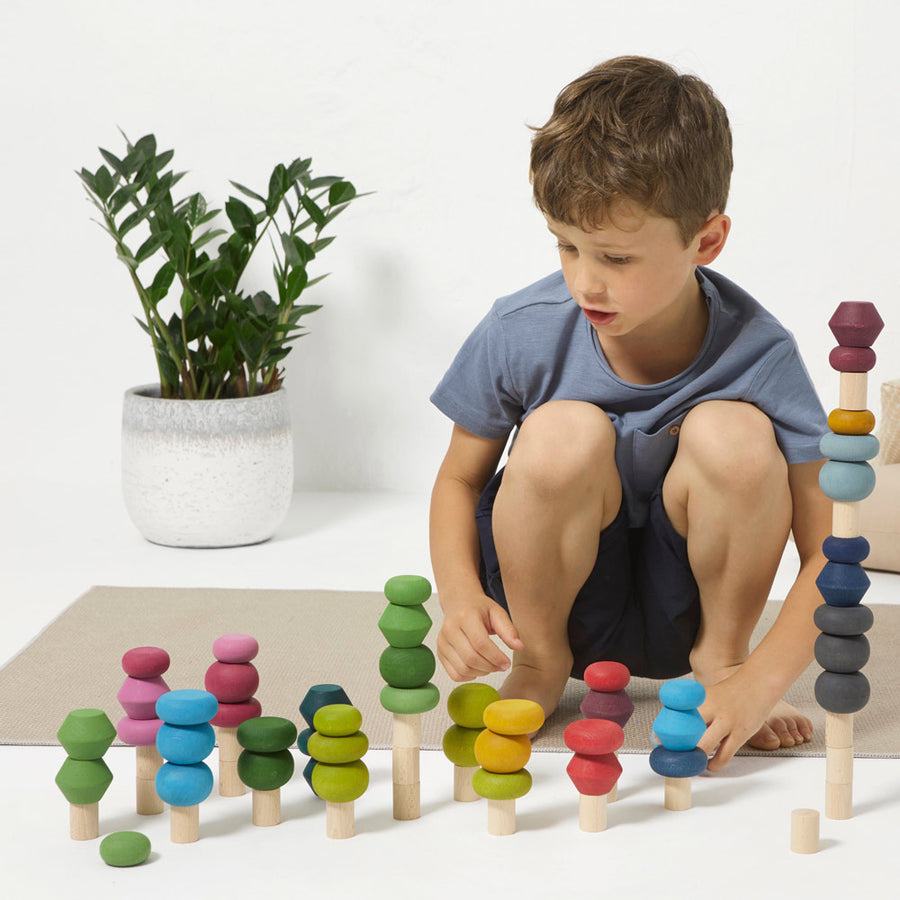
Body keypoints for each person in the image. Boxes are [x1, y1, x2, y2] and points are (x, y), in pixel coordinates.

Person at [428, 55, 832, 771]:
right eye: (566, 245)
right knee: (559, 431)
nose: (585, 279)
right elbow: (459, 480)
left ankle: (724, 668)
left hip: (698, 610)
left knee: (735, 433)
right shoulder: (521, 329)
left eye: (615, 257)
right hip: (557, 597)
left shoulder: (761, 350)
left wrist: (763, 678)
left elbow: (832, 549)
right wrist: (459, 596)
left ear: (705, 241)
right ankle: (545, 663)